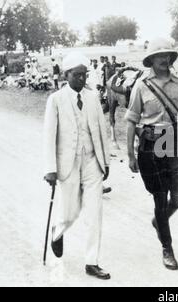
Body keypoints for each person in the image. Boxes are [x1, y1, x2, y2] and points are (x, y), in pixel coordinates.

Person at [126, 38, 178, 270]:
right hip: (152, 145)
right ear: (151, 61)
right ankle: (167, 248)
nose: (164, 60)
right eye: (159, 56)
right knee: (159, 194)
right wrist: (130, 154)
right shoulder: (141, 86)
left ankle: (160, 219)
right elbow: (132, 120)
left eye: (167, 55)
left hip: (176, 143)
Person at [43, 52, 111, 280]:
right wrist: (50, 168)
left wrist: (106, 162)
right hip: (67, 163)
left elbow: (102, 130)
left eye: (84, 75)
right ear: (66, 74)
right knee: (70, 211)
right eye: (77, 75)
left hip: (92, 161)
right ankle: (58, 230)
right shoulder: (56, 100)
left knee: (95, 213)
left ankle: (92, 262)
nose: (82, 79)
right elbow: (49, 136)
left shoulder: (93, 98)